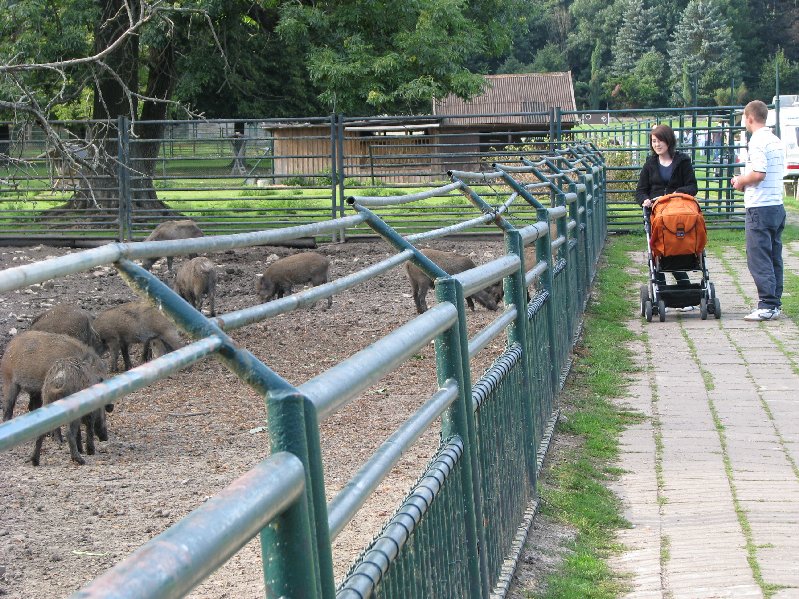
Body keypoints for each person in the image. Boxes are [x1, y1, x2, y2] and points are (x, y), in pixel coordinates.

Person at [732, 100, 786, 321]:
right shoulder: (775, 140)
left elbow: (758, 173)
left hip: (760, 206)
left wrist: (740, 180)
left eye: (744, 118)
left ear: (750, 117)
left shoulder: (757, 141)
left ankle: (766, 304)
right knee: (774, 256)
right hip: (776, 205)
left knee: (758, 257)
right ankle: (775, 301)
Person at [636, 124, 699, 286]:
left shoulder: (683, 162)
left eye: (660, 141)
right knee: (658, 252)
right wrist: (645, 200)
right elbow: (641, 190)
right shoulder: (650, 164)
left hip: (678, 212)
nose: (657, 145)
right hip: (656, 214)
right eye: (654, 141)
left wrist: (676, 193)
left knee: (676, 250)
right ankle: (661, 290)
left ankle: (685, 288)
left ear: (669, 141)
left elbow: (692, 187)